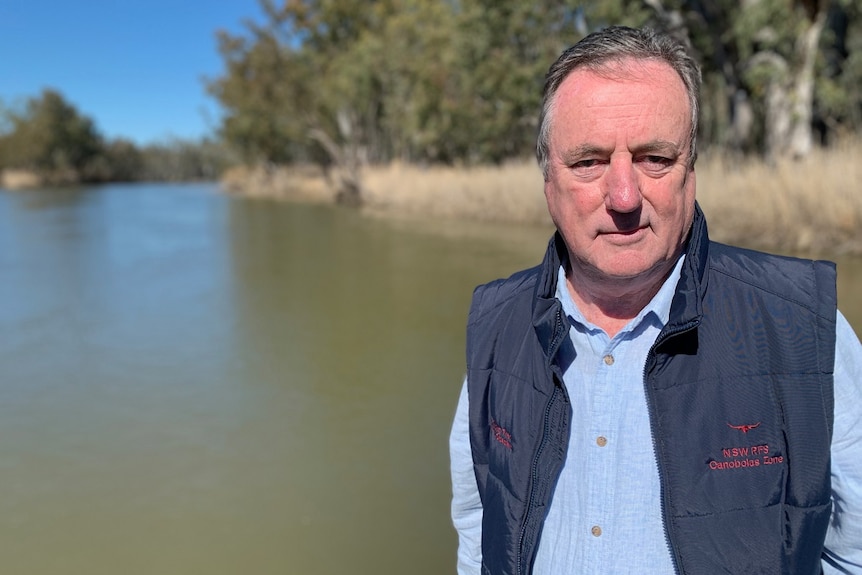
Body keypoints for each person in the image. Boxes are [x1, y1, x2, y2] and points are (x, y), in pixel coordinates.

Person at [449, 25, 862, 575]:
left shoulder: (804, 330)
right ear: (549, 181)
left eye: (654, 159)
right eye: (588, 162)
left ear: (691, 171)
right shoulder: (496, 328)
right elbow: (479, 526)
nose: (623, 197)